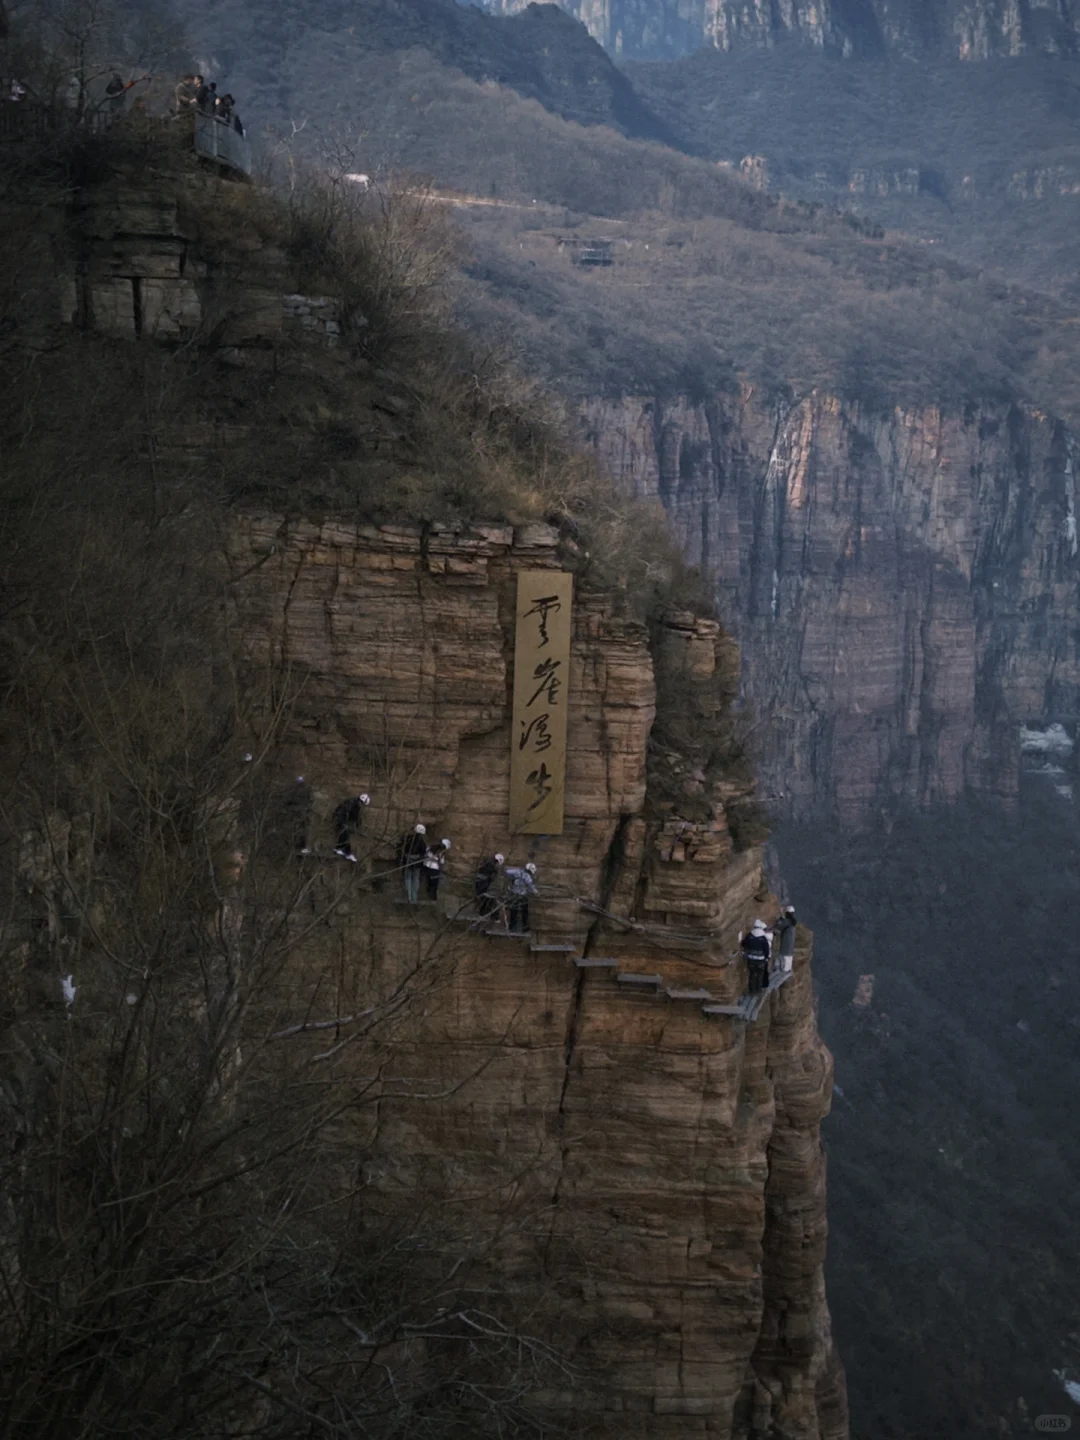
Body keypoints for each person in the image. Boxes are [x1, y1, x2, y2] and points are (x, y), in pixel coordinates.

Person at [333, 792, 370, 862]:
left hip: (342, 819)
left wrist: (358, 825)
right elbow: (343, 811)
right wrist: (340, 821)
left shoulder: (356, 805)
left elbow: (356, 817)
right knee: (345, 832)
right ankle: (339, 848)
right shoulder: (352, 803)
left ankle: (347, 852)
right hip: (340, 818)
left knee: (347, 834)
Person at [504, 862, 538, 934]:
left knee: (514, 911)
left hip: (514, 894)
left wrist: (512, 880)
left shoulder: (517, 871)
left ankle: (512, 927)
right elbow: (531, 886)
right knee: (524, 912)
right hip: (522, 896)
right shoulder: (527, 876)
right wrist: (536, 893)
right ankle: (524, 927)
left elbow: (507, 872)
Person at [398, 824, 427, 904]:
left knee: (408, 879)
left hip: (408, 861)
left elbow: (402, 848)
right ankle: (414, 898)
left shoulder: (408, 839)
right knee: (415, 879)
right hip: (416, 863)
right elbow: (423, 853)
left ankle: (409, 898)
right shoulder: (421, 842)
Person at [741, 919, 771, 995]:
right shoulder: (763, 937)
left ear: (754, 926)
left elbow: (743, 944)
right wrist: (766, 958)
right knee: (759, 975)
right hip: (761, 960)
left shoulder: (750, 935)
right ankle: (758, 991)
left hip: (751, 959)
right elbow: (766, 949)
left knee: (752, 975)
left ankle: (751, 991)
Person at [474, 852, 504, 917]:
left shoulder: (487, 862)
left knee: (484, 898)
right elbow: (491, 877)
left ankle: (482, 913)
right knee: (486, 898)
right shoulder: (491, 865)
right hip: (483, 883)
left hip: (479, 882)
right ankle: (483, 913)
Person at [423, 838, 451, 902]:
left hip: (428, 867)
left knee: (430, 884)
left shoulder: (433, 849)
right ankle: (432, 899)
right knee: (433, 885)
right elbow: (440, 862)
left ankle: (431, 898)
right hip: (433, 869)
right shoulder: (436, 851)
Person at [773, 905, 797, 975]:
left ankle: (778, 976)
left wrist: (778, 919)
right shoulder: (793, 922)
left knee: (782, 964)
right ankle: (785, 975)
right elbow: (784, 922)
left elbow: (779, 925)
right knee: (787, 965)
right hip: (791, 948)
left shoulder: (787, 921)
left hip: (785, 947)